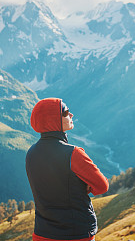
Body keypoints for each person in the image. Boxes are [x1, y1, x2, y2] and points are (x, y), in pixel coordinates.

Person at [26, 98, 109, 241]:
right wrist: (83, 186)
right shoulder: (73, 154)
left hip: (42, 233)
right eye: (65, 112)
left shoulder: (31, 153)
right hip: (76, 234)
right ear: (54, 120)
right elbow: (102, 186)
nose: (71, 115)